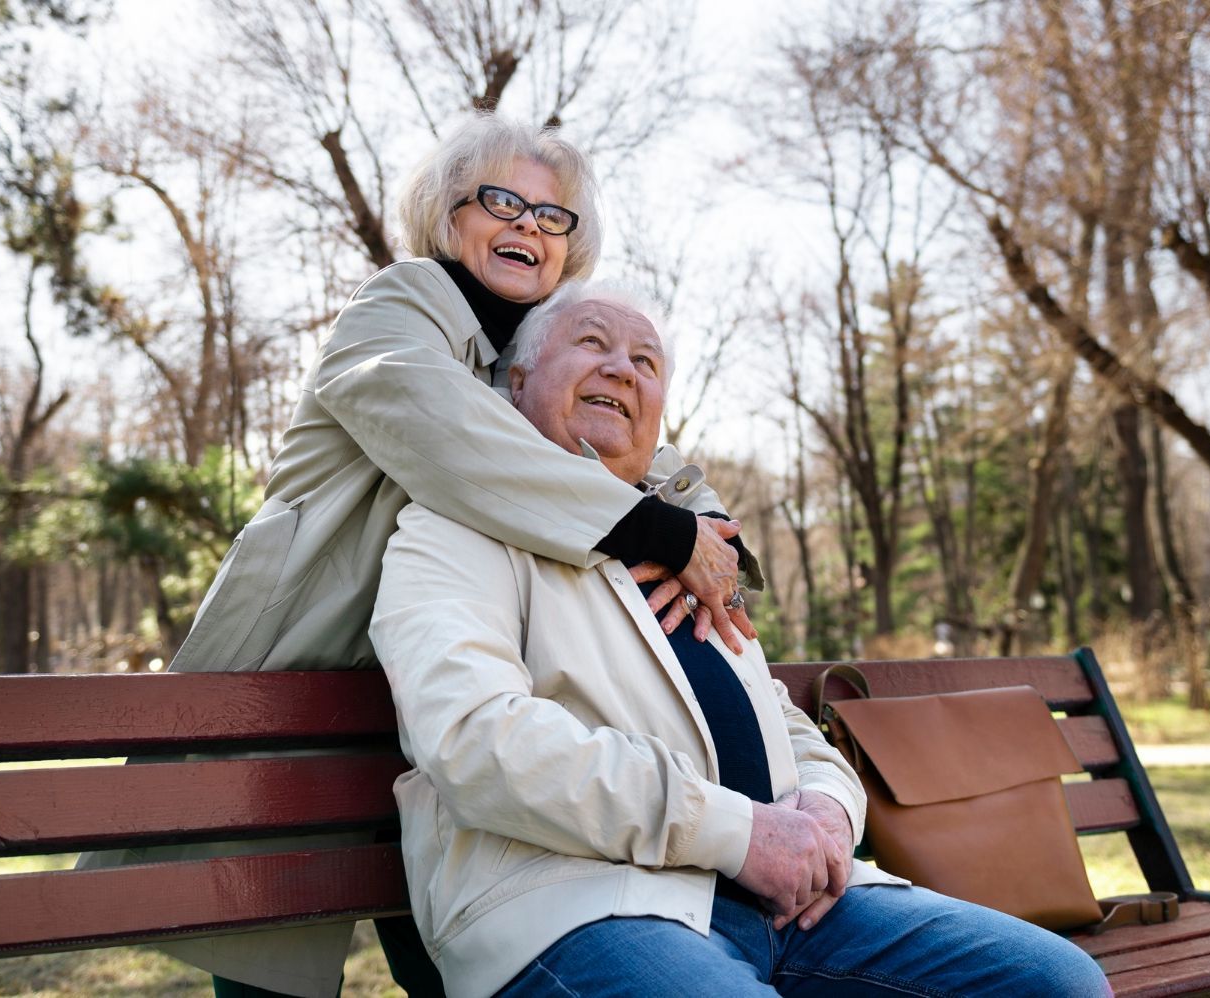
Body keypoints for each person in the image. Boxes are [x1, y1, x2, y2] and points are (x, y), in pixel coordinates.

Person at [79, 115, 757, 998]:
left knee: (458, 960)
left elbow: (654, 461)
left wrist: (714, 532)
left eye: (554, 219)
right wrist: (666, 536)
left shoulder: (527, 357)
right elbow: (448, 437)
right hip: (306, 693)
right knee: (272, 969)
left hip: (433, 708)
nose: (527, 228)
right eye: (502, 202)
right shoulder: (399, 307)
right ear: (449, 214)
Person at [370, 284, 1114, 998]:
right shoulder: (456, 529)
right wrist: (737, 834)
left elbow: (782, 721)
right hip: (582, 904)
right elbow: (477, 739)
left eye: (646, 361)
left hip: (797, 904)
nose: (620, 367)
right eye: (591, 343)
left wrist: (827, 813)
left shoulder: (689, 546)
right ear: (519, 378)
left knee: (1060, 983)